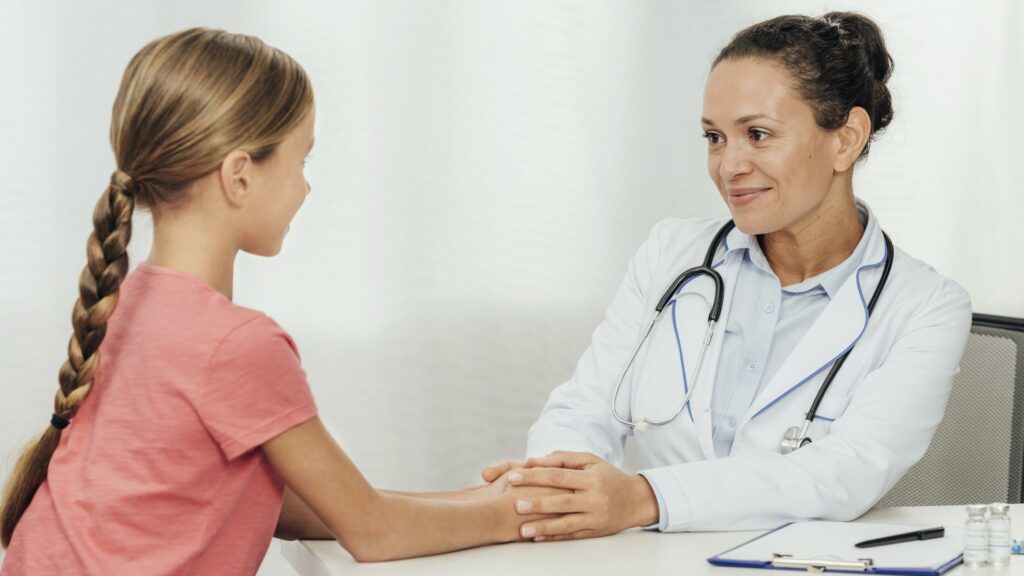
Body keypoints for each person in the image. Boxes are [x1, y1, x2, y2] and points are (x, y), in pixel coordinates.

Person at [0, 28, 558, 574]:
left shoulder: (126, 308)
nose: (306, 188)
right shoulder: (236, 345)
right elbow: (373, 531)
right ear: (240, 176)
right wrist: (522, 514)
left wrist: (472, 501)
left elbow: (278, 502)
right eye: (301, 161)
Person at [483, 12, 972, 542]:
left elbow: (845, 474)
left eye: (757, 135)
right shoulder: (672, 253)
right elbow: (585, 408)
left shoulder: (926, 306)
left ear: (846, 139)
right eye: (714, 137)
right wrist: (557, 486)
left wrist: (642, 497)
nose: (728, 165)